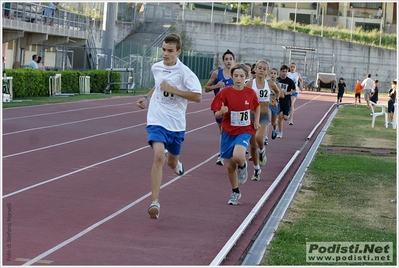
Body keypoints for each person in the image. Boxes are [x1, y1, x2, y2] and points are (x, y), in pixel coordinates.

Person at [136, 33, 202, 219]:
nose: (165, 54)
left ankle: (175, 163)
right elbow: (159, 85)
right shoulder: (156, 67)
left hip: (176, 124)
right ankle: (154, 202)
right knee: (158, 156)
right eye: (163, 49)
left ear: (178, 51)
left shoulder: (185, 73)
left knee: (171, 161)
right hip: (157, 119)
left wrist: (173, 90)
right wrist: (147, 98)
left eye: (170, 51)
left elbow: (197, 97)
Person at [210, 63, 260, 205]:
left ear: (246, 77)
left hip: (244, 130)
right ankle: (235, 192)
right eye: (236, 76)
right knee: (230, 166)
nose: (238, 79)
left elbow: (256, 107)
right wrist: (222, 112)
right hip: (228, 132)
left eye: (241, 76)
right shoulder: (224, 93)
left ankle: (243, 166)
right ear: (232, 76)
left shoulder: (250, 93)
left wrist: (256, 121)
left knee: (238, 156)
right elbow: (216, 114)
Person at [246, 60, 279, 181]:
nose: (261, 70)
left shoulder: (270, 84)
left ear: (267, 72)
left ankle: (262, 151)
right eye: (259, 68)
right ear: (256, 69)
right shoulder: (250, 84)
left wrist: (275, 100)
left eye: (264, 69)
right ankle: (256, 169)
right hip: (251, 116)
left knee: (260, 138)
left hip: (264, 115)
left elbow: (277, 92)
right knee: (252, 145)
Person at [204, 49, 236, 166]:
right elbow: (206, 88)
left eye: (230, 59)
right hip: (219, 107)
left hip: (233, 108)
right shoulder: (217, 74)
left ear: (234, 61)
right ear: (223, 61)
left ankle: (223, 154)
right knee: (223, 131)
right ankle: (225, 153)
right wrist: (216, 86)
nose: (228, 61)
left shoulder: (236, 74)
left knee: (228, 131)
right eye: (226, 59)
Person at [276, 64, 296, 138]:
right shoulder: (277, 80)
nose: (284, 73)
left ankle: (289, 113)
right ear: (280, 71)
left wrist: (287, 93)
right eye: (283, 71)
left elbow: (294, 90)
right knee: (280, 117)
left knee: (285, 118)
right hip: (279, 100)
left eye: (286, 71)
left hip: (286, 101)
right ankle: (280, 132)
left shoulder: (289, 81)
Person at [268, 67, 282, 140]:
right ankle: (265, 137)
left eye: (275, 73)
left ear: (277, 75)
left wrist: (276, 99)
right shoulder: (266, 82)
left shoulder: (277, 84)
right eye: (271, 73)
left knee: (273, 122)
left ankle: (274, 128)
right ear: (269, 74)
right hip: (267, 104)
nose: (273, 75)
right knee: (267, 119)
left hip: (274, 105)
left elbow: (280, 94)